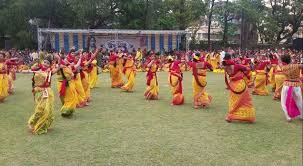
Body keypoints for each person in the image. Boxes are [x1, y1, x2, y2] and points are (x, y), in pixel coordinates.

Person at [26, 57, 57, 134]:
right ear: (42, 62)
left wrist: (59, 60)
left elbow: (58, 67)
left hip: (47, 92)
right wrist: (36, 64)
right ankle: (32, 122)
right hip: (38, 92)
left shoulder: (50, 72)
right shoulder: (37, 68)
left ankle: (43, 125)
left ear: (50, 65)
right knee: (40, 108)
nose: (45, 64)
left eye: (48, 63)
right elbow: (30, 67)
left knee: (48, 110)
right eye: (45, 62)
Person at [223, 54, 256, 123]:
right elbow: (248, 69)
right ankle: (248, 117)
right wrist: (243, 73)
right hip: (240, 84)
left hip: (233, 85)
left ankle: (231, 116)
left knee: (234, 101)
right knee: (245, 100)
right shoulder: (236, 65)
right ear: (231, 58)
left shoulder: (225, 66)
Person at [280, 54, 303, 122]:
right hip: (296, 85)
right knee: (299, 101)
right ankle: (302, 116)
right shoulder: (297, 65)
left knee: (283, 101)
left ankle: (288, 116)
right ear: (290, 59)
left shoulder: (283, 67)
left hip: (286, 85)